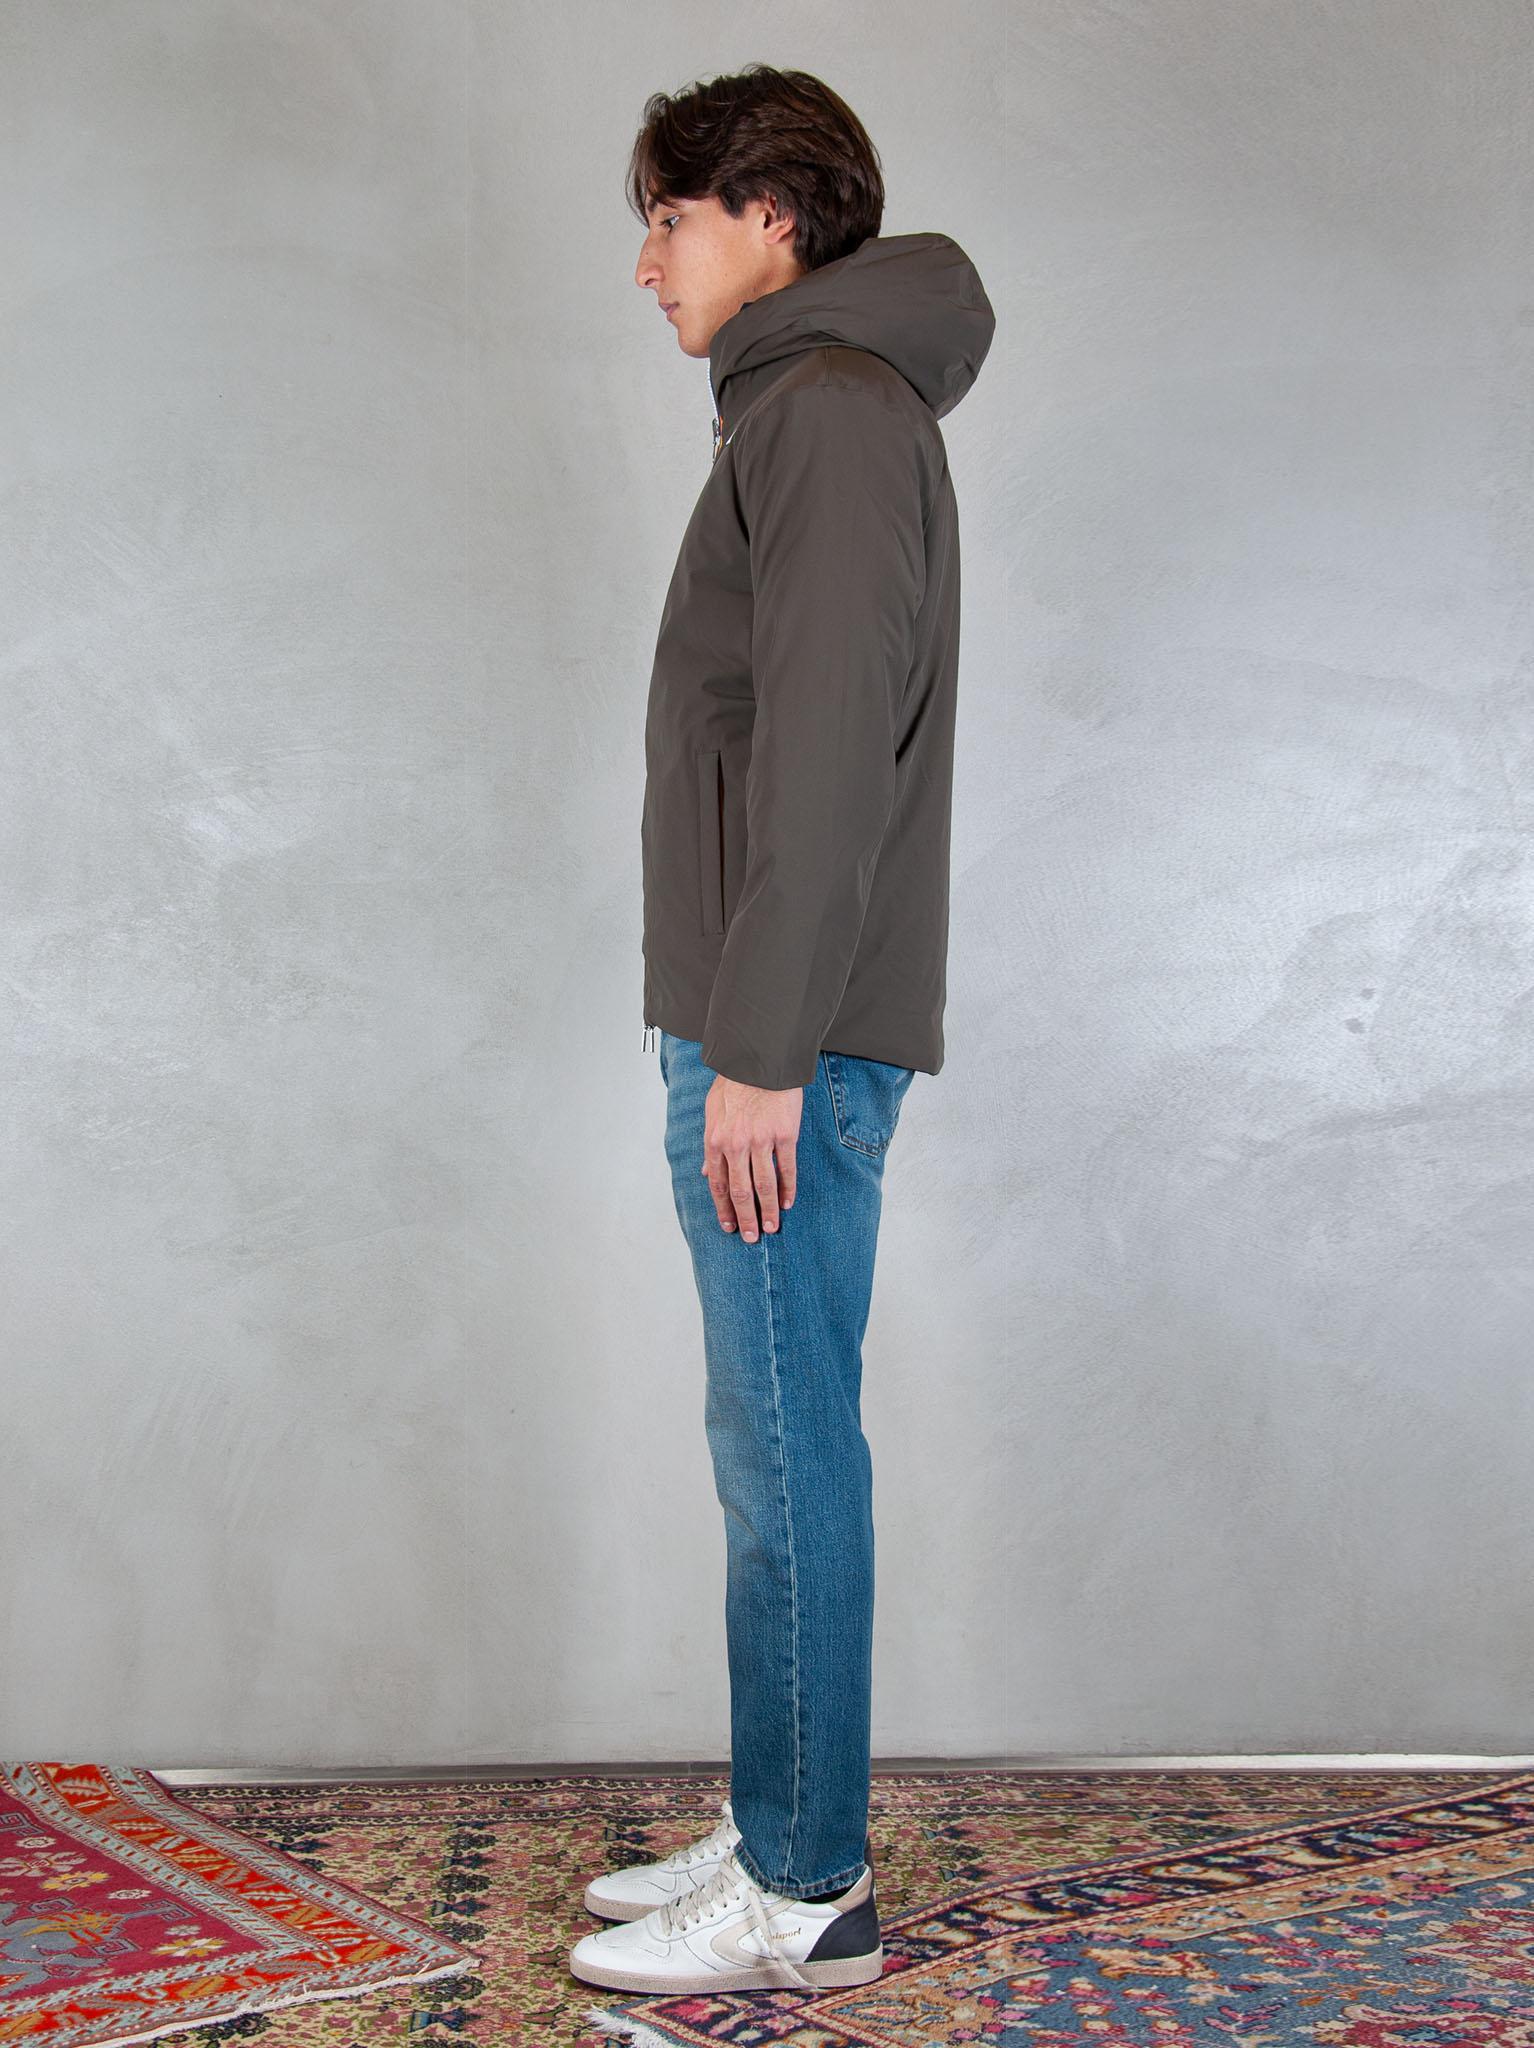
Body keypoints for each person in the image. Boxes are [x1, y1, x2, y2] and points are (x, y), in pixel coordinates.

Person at [569, 62, 995, 1999]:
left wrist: (755, 1047)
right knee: (770, 1432)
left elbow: (823, 755)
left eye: (668, 218)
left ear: (773, 217)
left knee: (783, 1444)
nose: (645, 261)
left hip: (780, 1042)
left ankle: (807, 1884)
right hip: (774, 1024)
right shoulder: (815, 403)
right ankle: (775, 1819)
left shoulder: (821, 408)